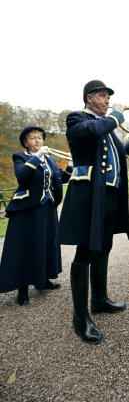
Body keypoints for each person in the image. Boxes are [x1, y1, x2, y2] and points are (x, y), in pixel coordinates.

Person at [57, 80, 129, 344]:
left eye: (109, 97)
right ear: (89, 98)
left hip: (108, 194)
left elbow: (116, 153)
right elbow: (95, 131)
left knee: (103, 246)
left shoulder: (107, 128)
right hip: (87, 195)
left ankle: (99, 299)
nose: (107, 101)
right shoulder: (78, 119)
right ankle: (80, 317)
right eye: (103, 96)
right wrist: (117, 116)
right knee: (85, 251)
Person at [0, 126, 72, 305]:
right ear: (25, 142)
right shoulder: (20, 157)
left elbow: (61, 178)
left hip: (47, 209)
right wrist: (36, 157)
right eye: (32, 138)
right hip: (27, 211)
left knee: (47, 244)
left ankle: (44, 280)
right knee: (25, 247)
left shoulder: (50, 159)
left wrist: (71, 166)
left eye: (39, 138)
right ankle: (22, 290)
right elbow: (22, 176)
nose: (37, 141)